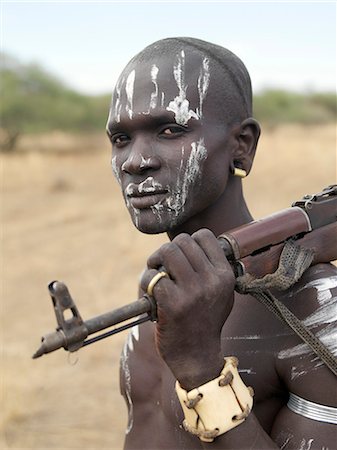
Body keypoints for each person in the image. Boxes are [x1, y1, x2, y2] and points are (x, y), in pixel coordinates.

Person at [105, 37, 337, 449]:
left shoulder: (316, 307)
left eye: (169, 129)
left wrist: (201, 369)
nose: (135, 161)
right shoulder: (162, 284)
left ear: (241, 146)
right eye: (121, 138)